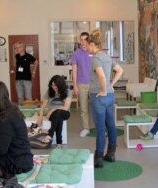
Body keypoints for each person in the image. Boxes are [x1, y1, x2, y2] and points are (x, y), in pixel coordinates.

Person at [87, 29, 124, 168]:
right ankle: (111, 154)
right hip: (110, 96)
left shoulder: (96, 58)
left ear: (92, 44)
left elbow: (101, 76)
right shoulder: (107, 56)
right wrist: (110, 86)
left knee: (101, 129)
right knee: (111, 126)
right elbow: (120, 70)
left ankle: (98, 159)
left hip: (100, 97)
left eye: (87, 46)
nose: (87, 49)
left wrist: (103, 89)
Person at [37, 75, 72, 149]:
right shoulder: (49, 91)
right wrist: (40, 118)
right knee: (59, 118)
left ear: (60, 85)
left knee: (58, 113)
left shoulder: (67, 91)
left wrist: (52, 110)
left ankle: (50, 135)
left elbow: (65, 107)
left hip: (64, 113)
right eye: (52, 85)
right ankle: (59, 143)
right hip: (53, 115)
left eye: (56, 85)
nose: (54, 87)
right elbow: (43, 106)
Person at [71, 32, 92, 137]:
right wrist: (74, 86)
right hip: (81, 84)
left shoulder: (92, 51)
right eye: (81, 40)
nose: (83, 42)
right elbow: (74, 70)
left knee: (97, 108)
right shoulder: (76, 53)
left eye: (85, 39)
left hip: (94, 84)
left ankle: (101, 128)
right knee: (83, 108)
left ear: (88, 40)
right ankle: (86, 128)